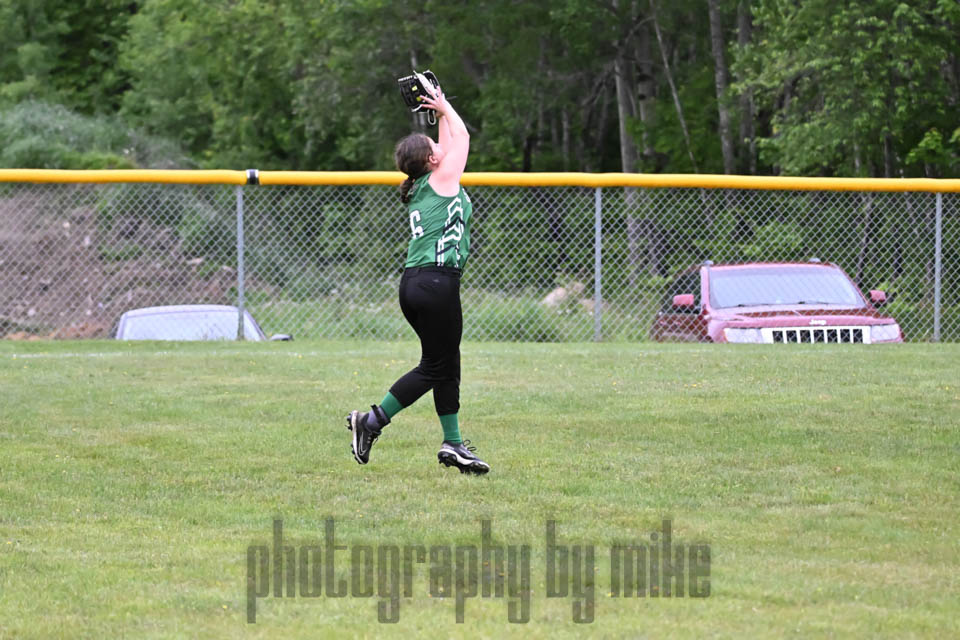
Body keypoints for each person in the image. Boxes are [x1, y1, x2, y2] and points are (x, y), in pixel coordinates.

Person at [346, 75, 490, 475]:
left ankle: (453, 444)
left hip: (415, 284)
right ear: (432, 161)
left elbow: (448, 142)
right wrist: (445, 108)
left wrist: (438, 108)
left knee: (445, 361)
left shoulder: (428, 182)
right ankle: (371, 421)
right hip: (437, 284)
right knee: (436, 367)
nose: (441, 150)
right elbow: (462, 138)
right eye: (434, 149)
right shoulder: (443, 179)